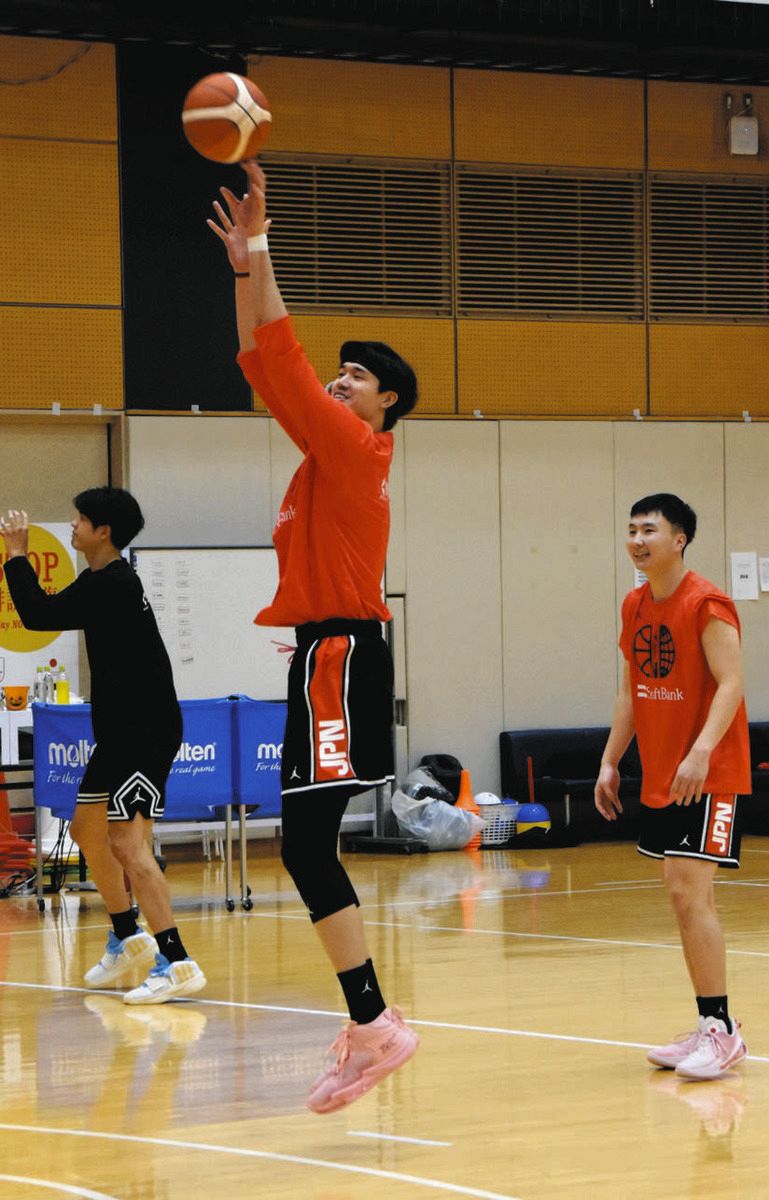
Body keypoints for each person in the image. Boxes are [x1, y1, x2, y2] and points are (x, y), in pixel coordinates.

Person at [207, 160, 420, 1114]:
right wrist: (241, 269)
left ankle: (375, 1024)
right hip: (322, 657)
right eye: (342, 371)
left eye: (357, 375)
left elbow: (283, 357)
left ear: (385, 404)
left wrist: (261, 247)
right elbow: (262, 360)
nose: (340, 379)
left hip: (340, 655)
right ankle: (371, 1022)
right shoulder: (322, 456)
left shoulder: (355, 447)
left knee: (303, 844)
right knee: (302, 845)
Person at [0, 491, 205, 1004]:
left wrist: (18, 555)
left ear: (103, 532)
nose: (73, 525)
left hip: (144, 731)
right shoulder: (99, 579)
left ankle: (177, 961)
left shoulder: (115, 584)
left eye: (81, 519)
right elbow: (47, 610)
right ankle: (127, 936)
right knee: (87, 831)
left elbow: (37, 613)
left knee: (128, 845)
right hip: (119, 732)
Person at [595, 493, 751, 1081]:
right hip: (664, 773)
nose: (637, 541)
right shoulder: (635, 604)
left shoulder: (707, 603)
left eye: (649, 531)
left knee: (691, 894)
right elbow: (630, 690)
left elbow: (732, 682)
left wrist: (701, 751)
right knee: (681, 896)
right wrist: (610, 761)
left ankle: (721, 1030)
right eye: (631, 530)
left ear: (679, 540)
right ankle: (711, 1023)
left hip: (709, 772)